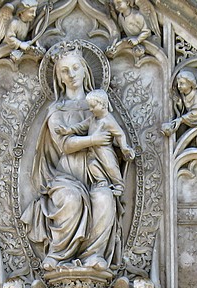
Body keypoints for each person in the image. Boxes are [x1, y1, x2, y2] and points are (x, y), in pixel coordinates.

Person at [23, 42, 119, 271]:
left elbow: (114, 135)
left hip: (96, 173)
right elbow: (64, 145)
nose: (72, 74)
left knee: (104, 199)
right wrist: (93, 141)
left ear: (85, 69)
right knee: (71, 199)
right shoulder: (56, 111)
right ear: (59, 78)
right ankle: (58, 255)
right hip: (65, 176)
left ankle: (93, 255)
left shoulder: (99, 105)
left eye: (76, 68)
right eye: (65, 71)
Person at [57, 89, 135, 197]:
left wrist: (124, 148)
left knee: (110, 166)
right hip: (93, 150)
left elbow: (120, 134)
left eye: (93, 106)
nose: (90, 109)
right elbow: (81, 126)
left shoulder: (108, 121)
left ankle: (119, 185)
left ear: (102, 105)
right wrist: (68, 130)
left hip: (104, 151)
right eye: (90, 106)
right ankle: (101, 181)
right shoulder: (93, 119)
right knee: (92, 164)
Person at [162, 69, 197, 136]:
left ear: (190, 84)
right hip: (190, 118)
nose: (179, 86)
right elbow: (185, 109)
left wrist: (181, 119)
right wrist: (180, 105)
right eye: (178, 83)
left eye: (182, 83)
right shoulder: (183, 94)